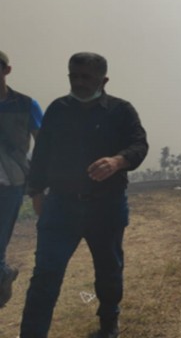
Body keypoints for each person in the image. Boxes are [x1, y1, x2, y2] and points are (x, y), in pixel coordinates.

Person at [20, 52, 148, 338]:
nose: (78, 82)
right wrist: (36, 191)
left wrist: (118, 161)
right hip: (61, 206)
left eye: (86, 77)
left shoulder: (121, 110)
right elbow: (41, 153)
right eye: (73, 76)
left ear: (104, 80)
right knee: (45, 275)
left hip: (107, 207)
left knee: (108, 269)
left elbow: (139, 145)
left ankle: (108, 323)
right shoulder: (58, 109)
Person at [0, 50, 43, 309]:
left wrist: (40, 181)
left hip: (11, 183)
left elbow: (45, 142)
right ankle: (4, 273)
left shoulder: (26, 105)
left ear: (7, 70)